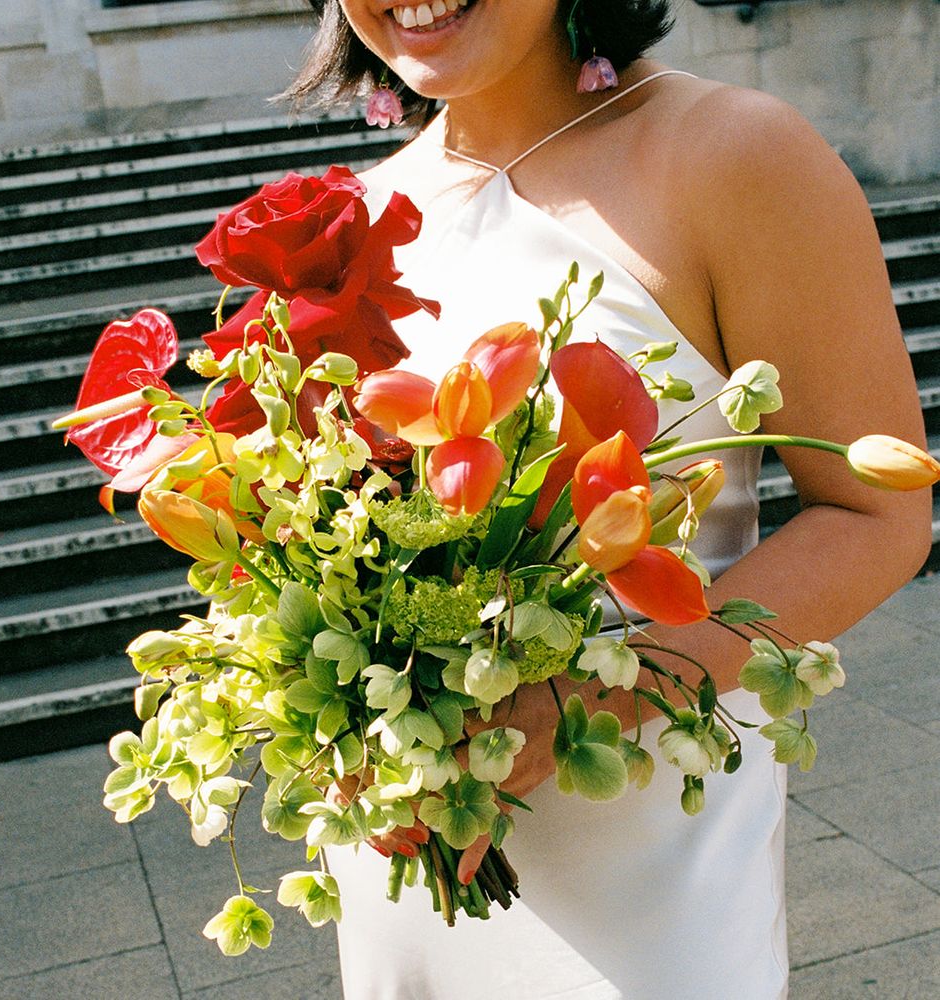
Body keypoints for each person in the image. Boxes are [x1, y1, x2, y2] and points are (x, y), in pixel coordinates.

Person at [288, 1, 932, 997]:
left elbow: (875, 515)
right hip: (410, 864)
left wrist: (595, 697)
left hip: (654, 874)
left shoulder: (735, 156)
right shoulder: (348, 221)